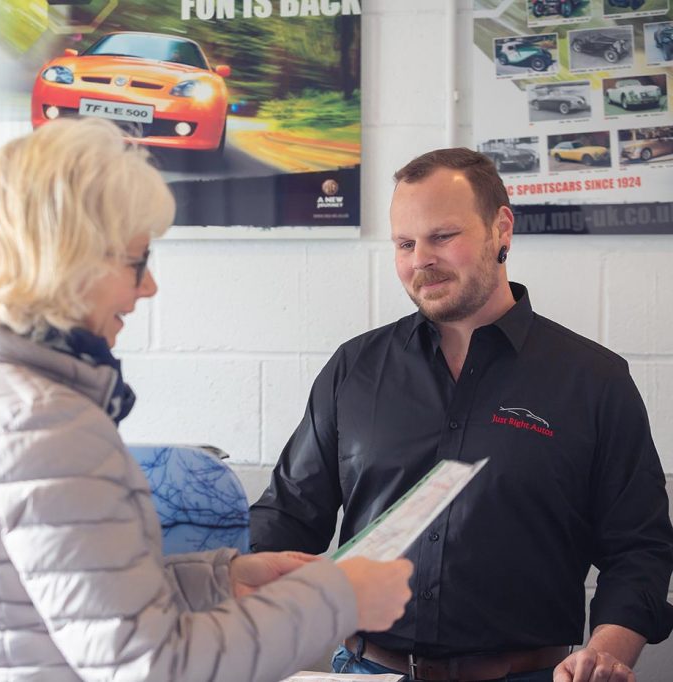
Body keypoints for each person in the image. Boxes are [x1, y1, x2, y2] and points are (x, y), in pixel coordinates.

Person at [0, 117, 413, 682]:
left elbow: (46, 600)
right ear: (66, 261)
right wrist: (337, 600)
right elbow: (154, 665)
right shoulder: (41, 425)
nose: (147, 287)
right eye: (137, 262)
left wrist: (220, 580)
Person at [250, 147, 673, 682]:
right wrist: (211, 581)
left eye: (441, 237)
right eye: (405, 243)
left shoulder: (594, 380)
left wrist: (608, 651)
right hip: (365, 669)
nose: (419, 259)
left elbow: (640, 548)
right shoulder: (353, 369)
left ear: (501, 229)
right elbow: (289, 514)